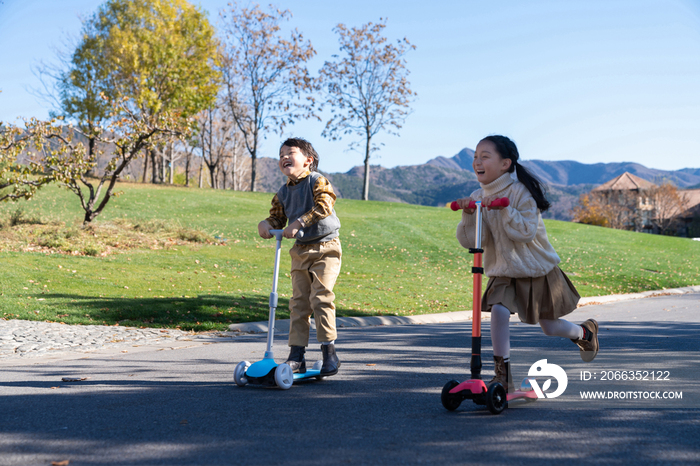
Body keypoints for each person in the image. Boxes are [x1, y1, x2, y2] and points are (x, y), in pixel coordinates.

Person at [454, 135, 598, 392]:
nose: (477, 161)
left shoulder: (520, 193)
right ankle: (502, 377)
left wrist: (503, 208)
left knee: (550, 326)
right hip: (503, 271)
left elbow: (525, 232)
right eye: (475, 156)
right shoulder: (478, 196)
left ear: (505, 163)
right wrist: (469, 215)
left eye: (485, 156)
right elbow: (476, 241)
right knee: (498, 311)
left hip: (535, 269)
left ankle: (585, 333)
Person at [257, 137, 342, 376]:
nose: (284, 157)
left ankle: (329, 352)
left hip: (326, 247)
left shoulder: (317, 180)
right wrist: (267, 224)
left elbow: (325, 205)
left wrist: (300, 222)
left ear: (308, 160)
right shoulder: (283, 193)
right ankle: (297, 356)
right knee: (298, 303)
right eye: (281, 154)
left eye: (290, 153)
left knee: (321, 298)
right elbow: (277, 218)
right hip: (301, 251)